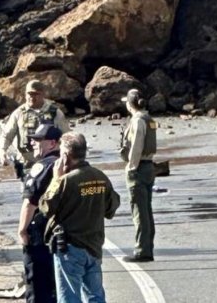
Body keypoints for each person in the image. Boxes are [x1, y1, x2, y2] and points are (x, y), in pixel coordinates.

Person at [39, 132, 120, 303]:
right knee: (95, 296)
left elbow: (45, 206)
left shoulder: (66, 181)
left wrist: (55, 179)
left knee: (69, 297)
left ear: (66, 155)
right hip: (94, 246)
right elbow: (111, 208)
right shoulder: (100, 177)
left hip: (70, 247)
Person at [18, 123, 63, 303]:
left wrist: (22, 229)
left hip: (41, 233)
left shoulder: (43, 167)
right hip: (65, 231)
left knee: (38, 283)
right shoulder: (72, 165)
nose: (33, 143)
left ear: (52, 143)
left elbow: (30, 202)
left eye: (38, 140)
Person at [119, 88, 157, 262]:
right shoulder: (148, 119)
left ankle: (142, 250)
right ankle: (148, 246)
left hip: (139, 168)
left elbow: (136, 146)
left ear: (130, 103)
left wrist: (131, 167)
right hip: (149, 166)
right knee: (146, 209)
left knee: (139, 211)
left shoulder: (137, 121)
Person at [0, 79, 69, 167]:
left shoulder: (55, 112)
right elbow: (6, 136)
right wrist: (2, 152)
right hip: (25, 163)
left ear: (43, 94)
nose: (32, 97)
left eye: (36, 94)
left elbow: (67, 137)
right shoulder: (19, 113)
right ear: (25, 95)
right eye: (30, 94)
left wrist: (68, 156)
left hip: (49, 162)